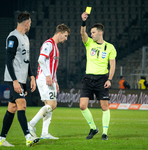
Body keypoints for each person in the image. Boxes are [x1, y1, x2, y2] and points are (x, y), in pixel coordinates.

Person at [0, 12, 39, 147]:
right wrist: (14, 80)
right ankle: (28, 136)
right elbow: (8, 61)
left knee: (12, 107)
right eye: (30, 23)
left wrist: (31, 76)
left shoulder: (25, 38)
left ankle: (1, 139)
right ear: (26, 23)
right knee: (22, 104)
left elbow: (26, 60)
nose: (30, 25)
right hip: (13, 78)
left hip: (21, 78)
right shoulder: (13, 37)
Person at [28, 24, 70, 139]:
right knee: (52, 105)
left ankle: (45, 133)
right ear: (59, 33)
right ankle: (31, 124)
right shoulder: (48, 44)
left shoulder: (55, 47)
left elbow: (53, 67)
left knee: (51, 105)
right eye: (65, 36)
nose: (66, 39)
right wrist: (47, 76)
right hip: (43, 78)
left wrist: (55, 80)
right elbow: (41, 60)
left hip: (49, 79)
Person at [79, 12, 117, 140]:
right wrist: (83, 21)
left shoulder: (110, 47)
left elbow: (112, 65)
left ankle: (104, 133)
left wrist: (109, 79)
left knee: (104, 107)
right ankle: (93, 128)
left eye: (93, 32)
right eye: (91, 32)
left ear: (100, 33)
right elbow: (82, 34)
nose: (91, 34)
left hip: (102, 79)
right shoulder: (89, 43)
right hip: (88, 78)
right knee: (82, 105)